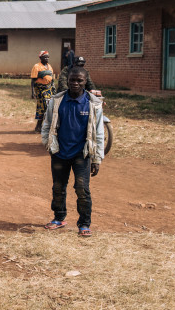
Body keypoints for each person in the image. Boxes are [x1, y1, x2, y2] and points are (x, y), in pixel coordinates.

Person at [41, 67, 104, 237]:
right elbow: (46, 125)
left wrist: (97, 158)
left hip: (81, 155)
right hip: (59, 153)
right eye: (72, 80)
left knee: (82, 189)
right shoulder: (56, 101)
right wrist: (49, 144)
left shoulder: (93, 104)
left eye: (79, 80)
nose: (75, 83)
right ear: (67, 81)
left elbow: (99, 133)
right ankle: (59, 218)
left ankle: (84, 224)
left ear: (85, 82)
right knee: (58, 187)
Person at [31, 51, 55, 133]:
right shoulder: (36, 66)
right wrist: (32, 92)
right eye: (45, 57)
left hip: (48, 89)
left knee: (49, 106)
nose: (47, 58)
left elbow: (52, 79)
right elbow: (33, 79)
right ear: (40, 58)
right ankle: (40, 127)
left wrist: (53, 88)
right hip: (40, 89)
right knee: (44, 106)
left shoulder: (49, 66)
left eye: (48, 57)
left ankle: (40, 127)